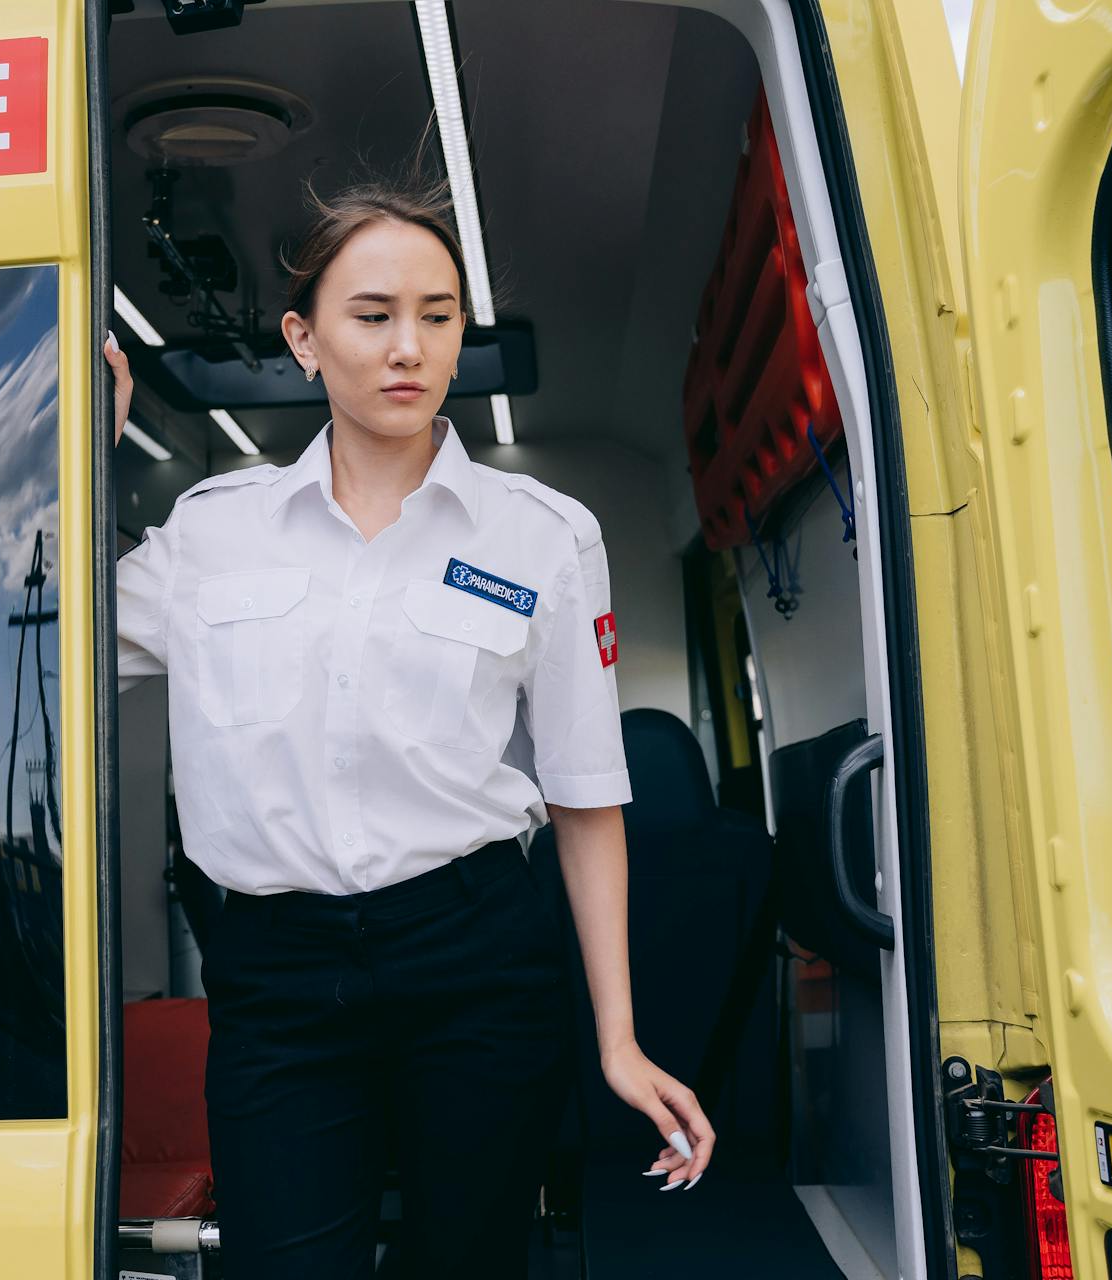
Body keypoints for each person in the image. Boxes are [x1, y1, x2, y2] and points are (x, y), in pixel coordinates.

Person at [104, 175, 712, 1279]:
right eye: (373, 315)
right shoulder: (211, 534)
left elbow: (584, 794)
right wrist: (70, 461)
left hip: (475, 957)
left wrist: (617, 1037)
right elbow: (48, 642)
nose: (408, 347)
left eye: (437, 316)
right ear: (303, 338)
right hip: (276, 979)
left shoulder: (542, 537)